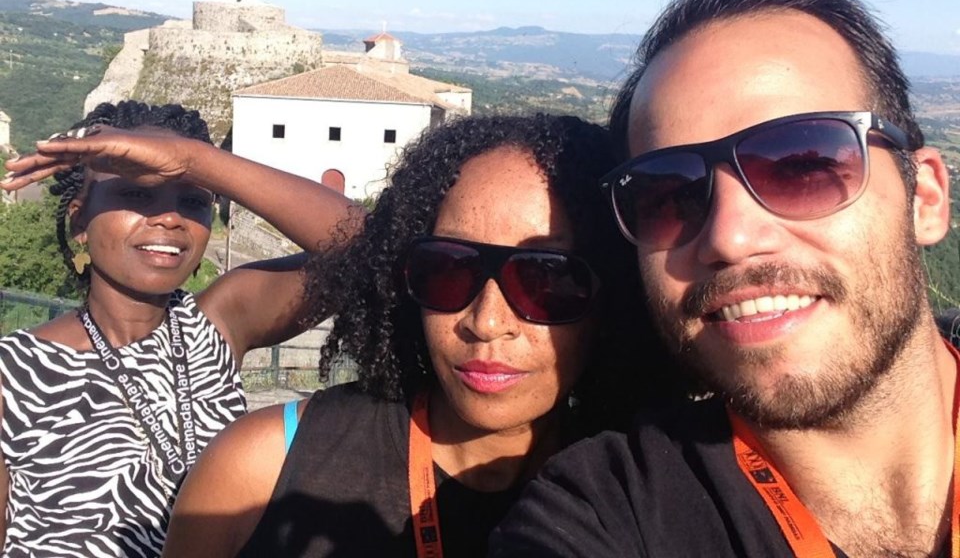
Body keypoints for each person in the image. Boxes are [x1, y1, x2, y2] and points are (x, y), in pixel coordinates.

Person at [490, 0, 957, 557]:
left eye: (801, 164)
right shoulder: (604, 515)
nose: (728, 238)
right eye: (667, 195)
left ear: (926, 199)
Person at [159, 113, 673, 558]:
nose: (486, 321)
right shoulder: (260, 467)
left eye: (546, 279)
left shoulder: (655, 496)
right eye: (448, 269)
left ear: (618, 296)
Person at [0, 101, 358, 557]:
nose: (170, 218)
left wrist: (197, 161)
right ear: (79, 221)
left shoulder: (218, 325)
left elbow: (372, 246)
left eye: (192, 201)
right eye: (134, 195)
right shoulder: (13, 376)